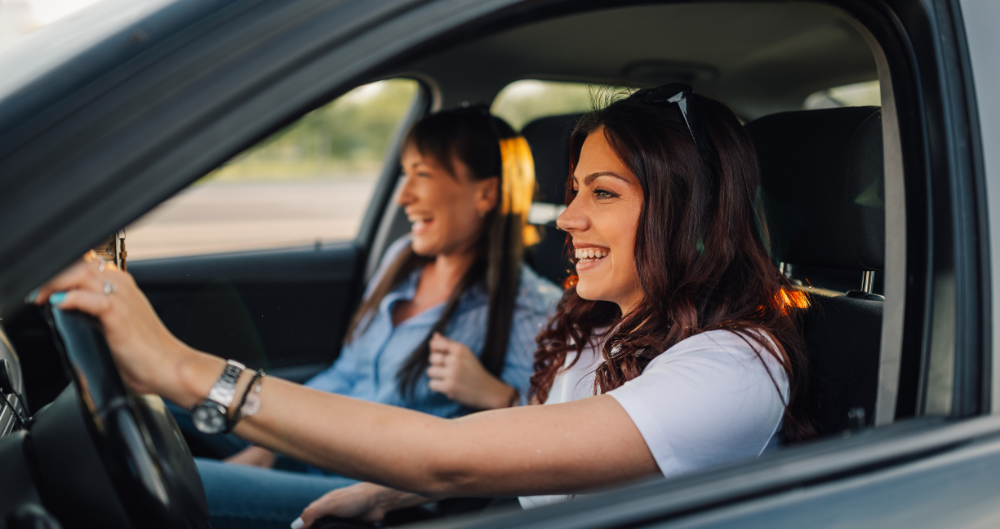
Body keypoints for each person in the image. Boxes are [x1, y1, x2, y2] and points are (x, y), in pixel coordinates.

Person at [36, 84, 814, 529]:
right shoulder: (598, 332)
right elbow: (505, 454)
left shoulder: (736, 368)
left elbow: (455, 451)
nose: (567, 218)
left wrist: (181, 367)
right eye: (570, 191)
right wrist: (387, 491)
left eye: (601, 194)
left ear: (689, 213)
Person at [165, 108, 564, 528]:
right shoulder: (401, 260)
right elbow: (346, 373)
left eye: (422, 175)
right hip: (314, 448)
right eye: (404, 173)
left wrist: (497, 397)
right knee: (163, 401)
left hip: (374, 489)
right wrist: (273, 443)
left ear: (485, 194)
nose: (402, 196)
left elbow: (533, 446)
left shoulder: (530, 309)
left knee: (177, 485)